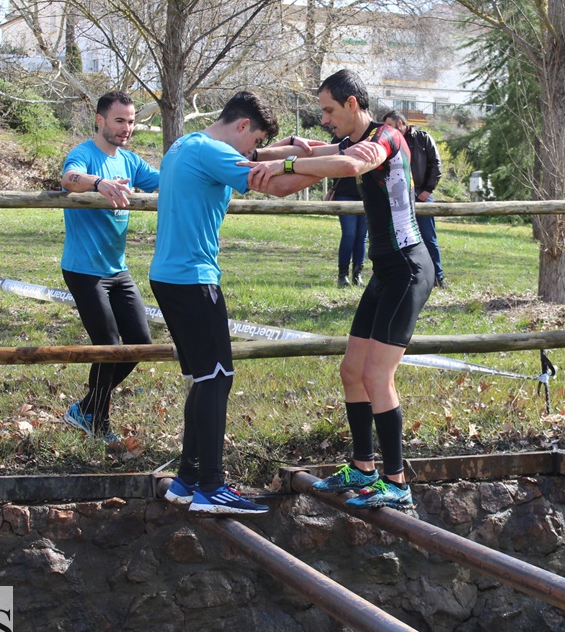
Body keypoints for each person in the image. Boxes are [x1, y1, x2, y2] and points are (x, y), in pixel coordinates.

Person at [152, 90, 377, 516]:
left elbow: (267, 156)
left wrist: (305, 148)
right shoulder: (215, 153)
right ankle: (212, 488)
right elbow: (277, 184)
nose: (254, 152)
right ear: (241, 127)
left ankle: (187, 480)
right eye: (252, 142)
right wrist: (334, 166)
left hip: (169, 276)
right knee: (218, 377)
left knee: (204, 378)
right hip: (193, 280)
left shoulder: (186, 143)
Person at [245, 69, 433, 509]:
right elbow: (308, 156)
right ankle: (363, 469)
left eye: (329, 110)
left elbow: (346, 165)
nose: (324, 118)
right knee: (352, 371)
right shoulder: (350, 141)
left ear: (352, 105)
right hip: (385, 272)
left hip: (408, 269)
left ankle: (397, 482)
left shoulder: (385, 137)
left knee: (376, 375)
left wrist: (286, 163)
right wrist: (247, 157)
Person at [60, 90, 159, 445]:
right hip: (84, 269)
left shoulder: (130, 162)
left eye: (131, 121)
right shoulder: (84, 154)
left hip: (117, 270)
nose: (126, 128)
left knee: (141, 343)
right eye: (120, 120)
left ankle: (85, 408)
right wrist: (98, 183)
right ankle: (97, 420)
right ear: (100, 120)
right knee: (108, 344)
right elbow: (69, 178)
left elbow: (164, 180)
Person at [382, 110, 445, 287]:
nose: (388, 131)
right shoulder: (389, 142)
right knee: (399, 238)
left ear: (400, 124)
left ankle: (438, 277)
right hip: (398, 195)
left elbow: (436, 165)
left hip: (421, 196)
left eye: (390, 126)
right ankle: (406, 276)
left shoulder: (423, 138)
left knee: (428, 237)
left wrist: (428, 190)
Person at [331, 175, 367, 287]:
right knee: (349, 234)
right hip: (345, 193)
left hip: (367, 193)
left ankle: (357, 274)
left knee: (361, 236)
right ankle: (343, 275)